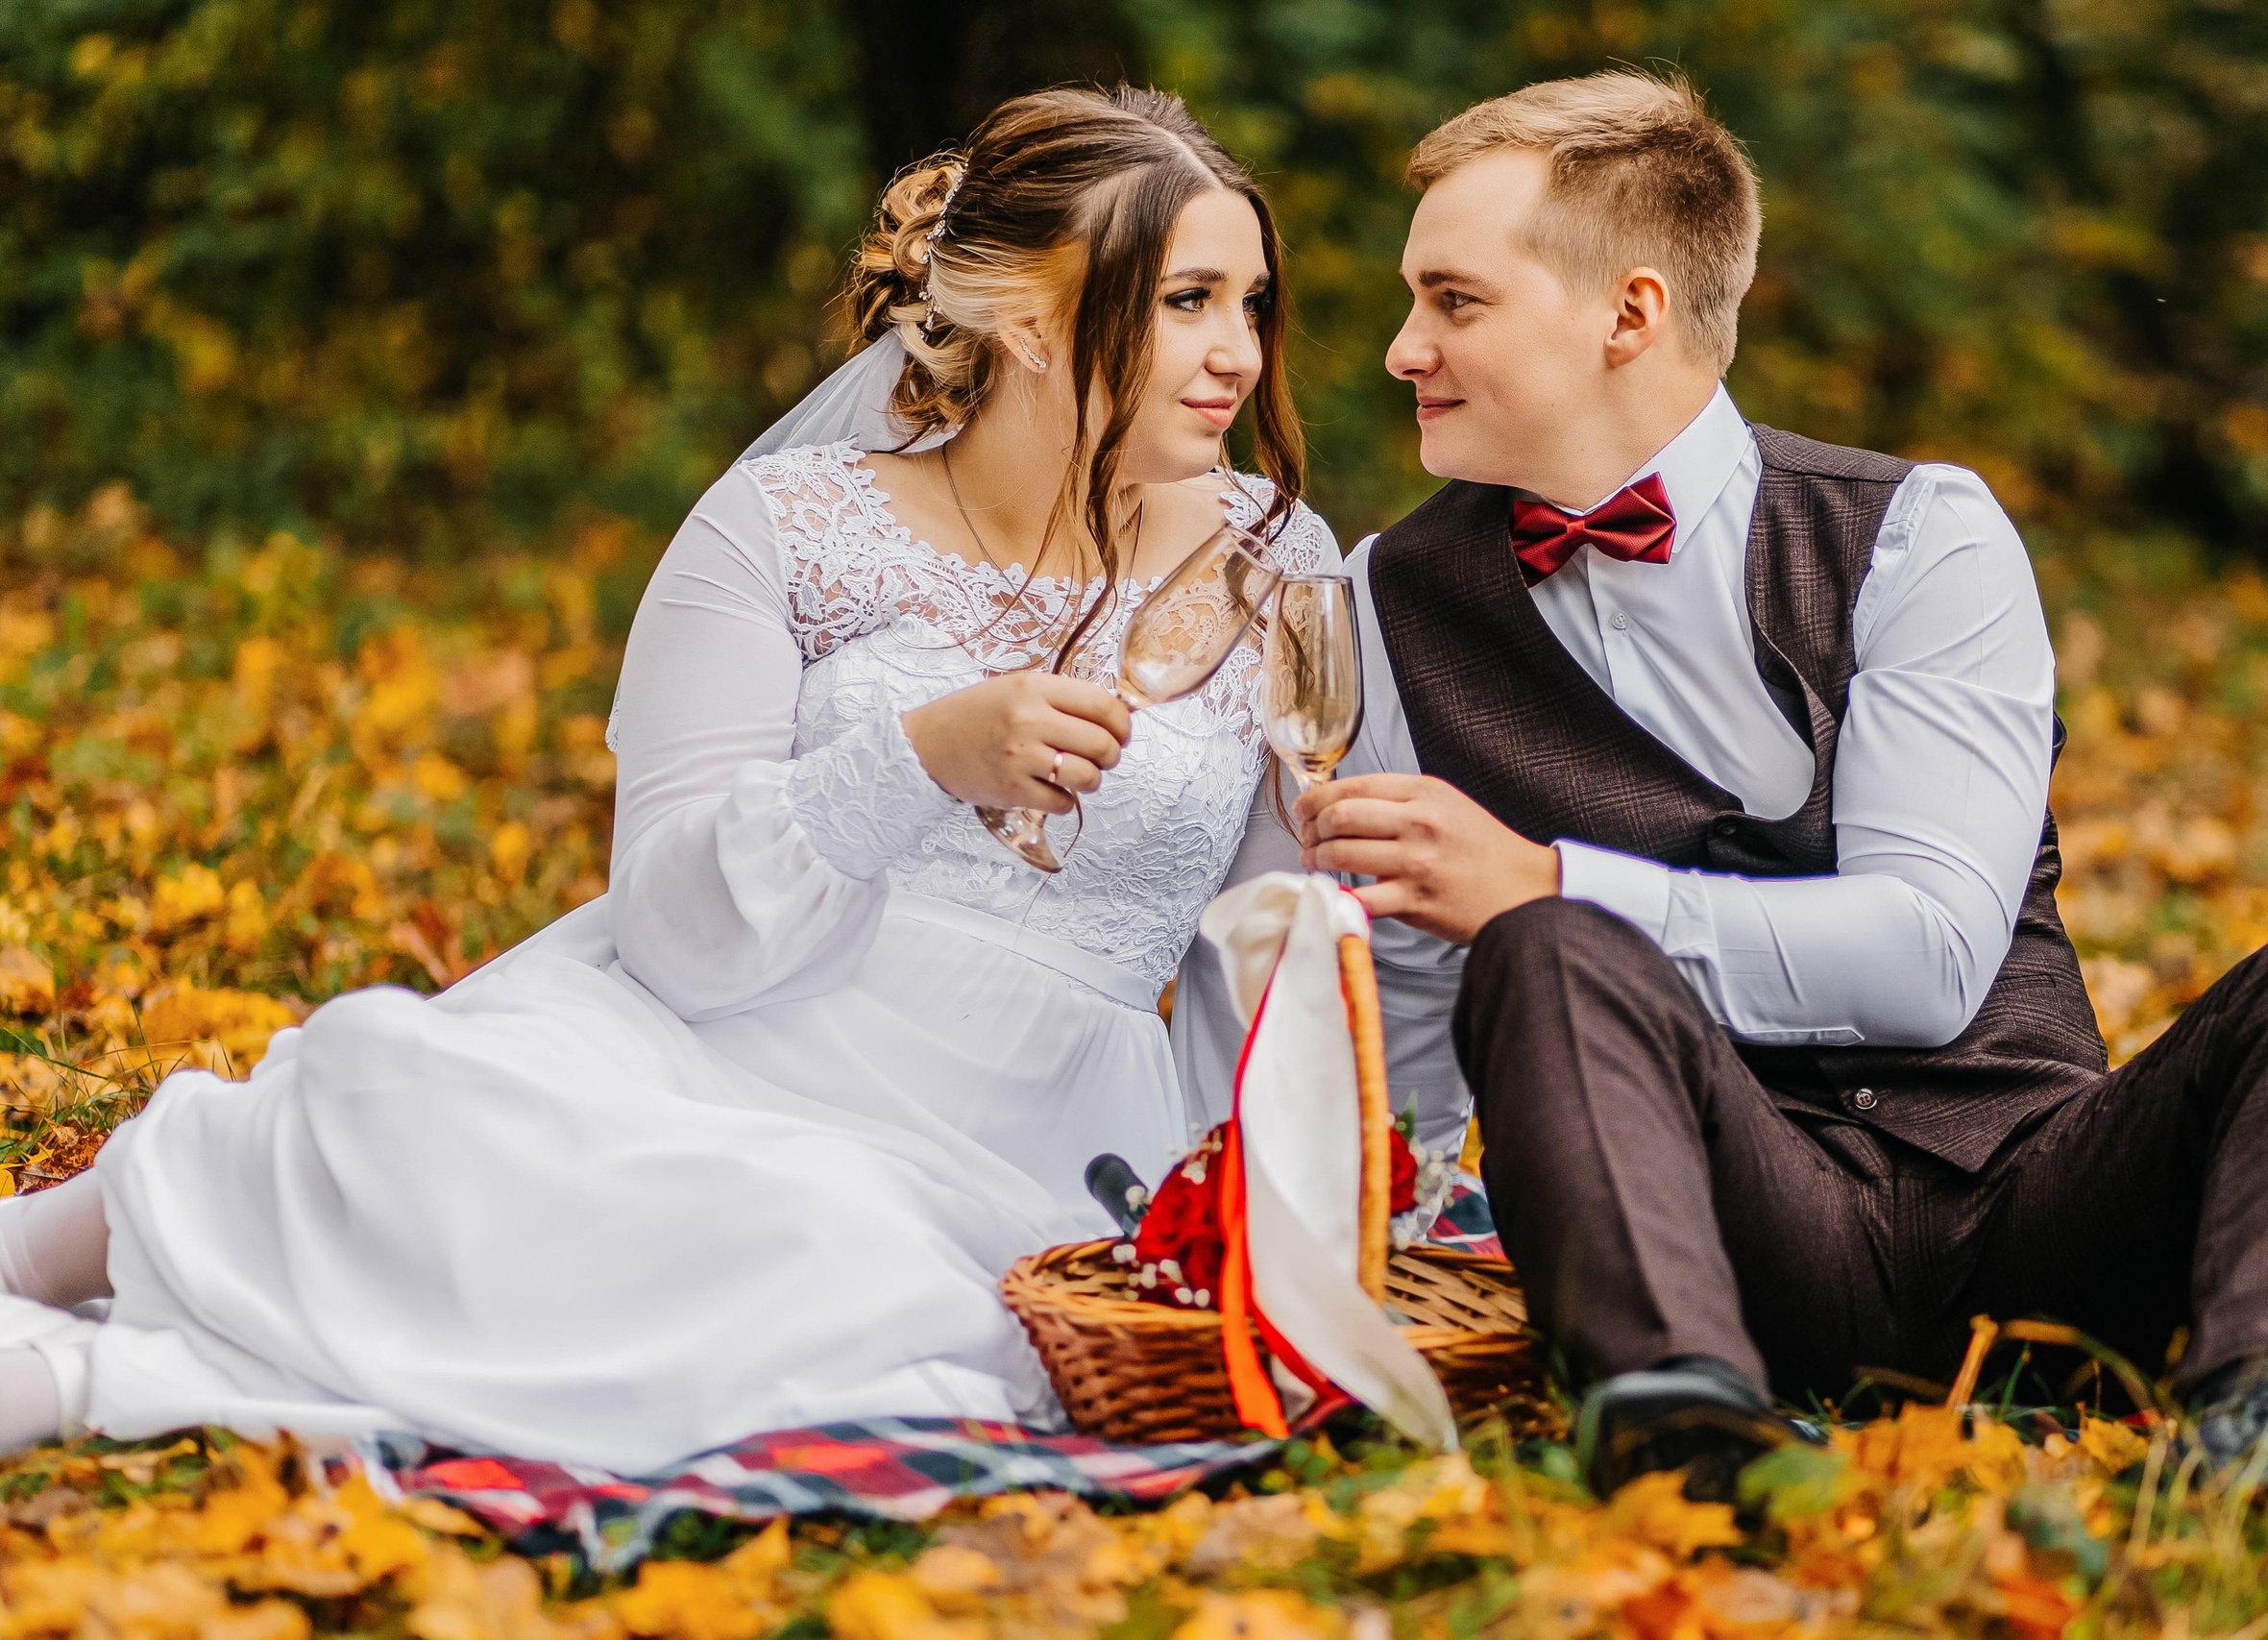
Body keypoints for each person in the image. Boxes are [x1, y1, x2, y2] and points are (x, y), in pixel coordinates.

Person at [0, 86, 1335, 1471]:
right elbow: (677, 938)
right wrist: (921, 756)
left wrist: (1278, 1182)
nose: (1237, 351)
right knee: (417, 1095)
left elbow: (1273, 953)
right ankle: (48, 1271)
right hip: (712, 1041)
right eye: (1188, 301)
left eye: (1252, 302)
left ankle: (103, 1371)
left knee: (820, 1266)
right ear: (1026, 316)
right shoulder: (783, 529)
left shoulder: (1279, 569)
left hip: (1032, 1134)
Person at [1175, 70, 2268, 1500]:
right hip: (1731, 1242)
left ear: (1630, 314)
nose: (1403, 349)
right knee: (1544, 955)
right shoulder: (1387, 600)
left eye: (1455, 302)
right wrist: (1304, 1270)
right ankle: (1680, 1429)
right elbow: (1377, 1002)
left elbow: (1930, 959)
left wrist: (1549, 879)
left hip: (2041, 1213)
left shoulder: (1919, 537)